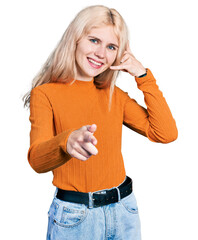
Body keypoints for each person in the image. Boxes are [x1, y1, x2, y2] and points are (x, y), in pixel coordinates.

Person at [23, 5, 178, 240]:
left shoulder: (113, 95)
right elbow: (36, 160)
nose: (101, 53)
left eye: (111, 47)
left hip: (124, 210)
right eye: (94, 40)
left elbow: (166, 133)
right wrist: (67, 142)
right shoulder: (45, 94)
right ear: (75, 39)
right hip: (75, 217)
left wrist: (143, 75)